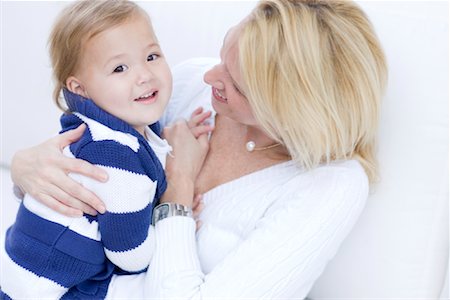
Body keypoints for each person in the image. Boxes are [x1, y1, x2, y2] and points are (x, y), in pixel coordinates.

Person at [6, 0, 387, 298]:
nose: (210, 76)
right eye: (223, 55)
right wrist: (26, 167)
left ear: (291, 110)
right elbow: (98, 162)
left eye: (237, 84)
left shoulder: (330, 187)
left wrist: (179, 188)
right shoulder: (192, 85)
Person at [0, 0, 211, 298]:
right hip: (53, 289)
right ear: (79, 88)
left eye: (152, 56)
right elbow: (132, 255)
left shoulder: (101, 127)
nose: (145, 75)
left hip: (24, 267)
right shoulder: (117, 158)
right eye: (120, 68)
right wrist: (174, 219)